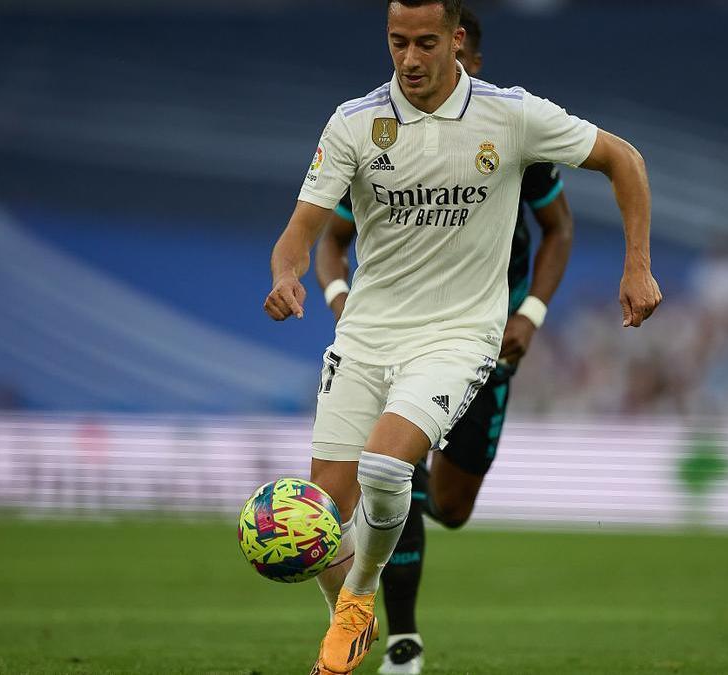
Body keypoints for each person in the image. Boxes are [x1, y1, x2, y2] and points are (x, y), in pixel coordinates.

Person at [263, 1, 661, 672]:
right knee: (320, 518)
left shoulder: (511, 115)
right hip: (365, 335)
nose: (410, 59)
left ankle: (361, 601)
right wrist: (286, 275)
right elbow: (303, 231)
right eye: (397, 43)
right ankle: (347, 617)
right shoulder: (355, 123)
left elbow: (624, 159)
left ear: (456, 40)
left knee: (388, 467)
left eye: (424, 43)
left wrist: (638, 264)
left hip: (458, 335)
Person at [312, 8, 576, 673]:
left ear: (467, 59)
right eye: (404, 47)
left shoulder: (512, 137)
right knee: (386, 471)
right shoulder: (387, 147)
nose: (420, 69)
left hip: (486, 338)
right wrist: (342, 301)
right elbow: (332, 241)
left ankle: (403, 477)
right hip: (401, 336)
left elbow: (560, 230)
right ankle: (399, 637)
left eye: (444, 54)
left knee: (450, 507)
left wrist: (533, 311)